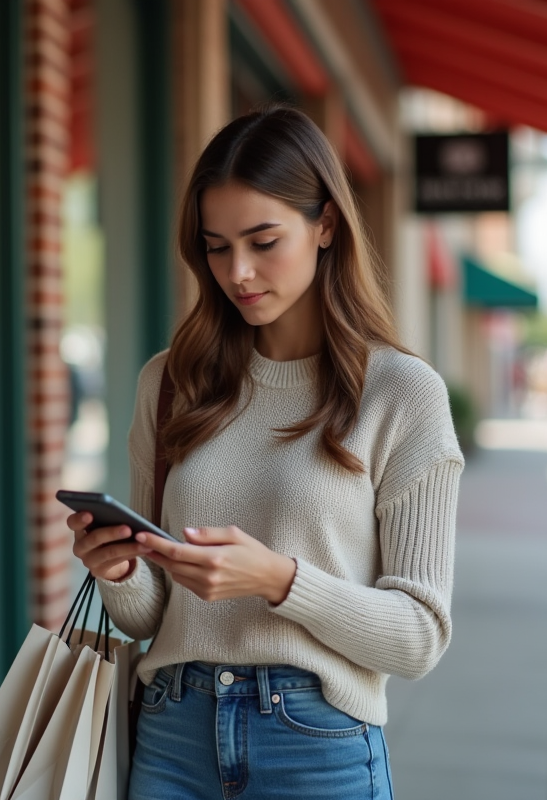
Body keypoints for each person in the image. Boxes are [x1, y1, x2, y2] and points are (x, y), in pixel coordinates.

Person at [68, 106, 463, 799]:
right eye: (216, 246)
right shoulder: (170, 383)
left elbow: (419, 638)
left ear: (327, 225)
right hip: (170, 737)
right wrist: (121, 570)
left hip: (317, 744)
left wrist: (279, 579)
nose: (238, 272)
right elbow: (149, 617)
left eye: (263, 240)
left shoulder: (402, 393)